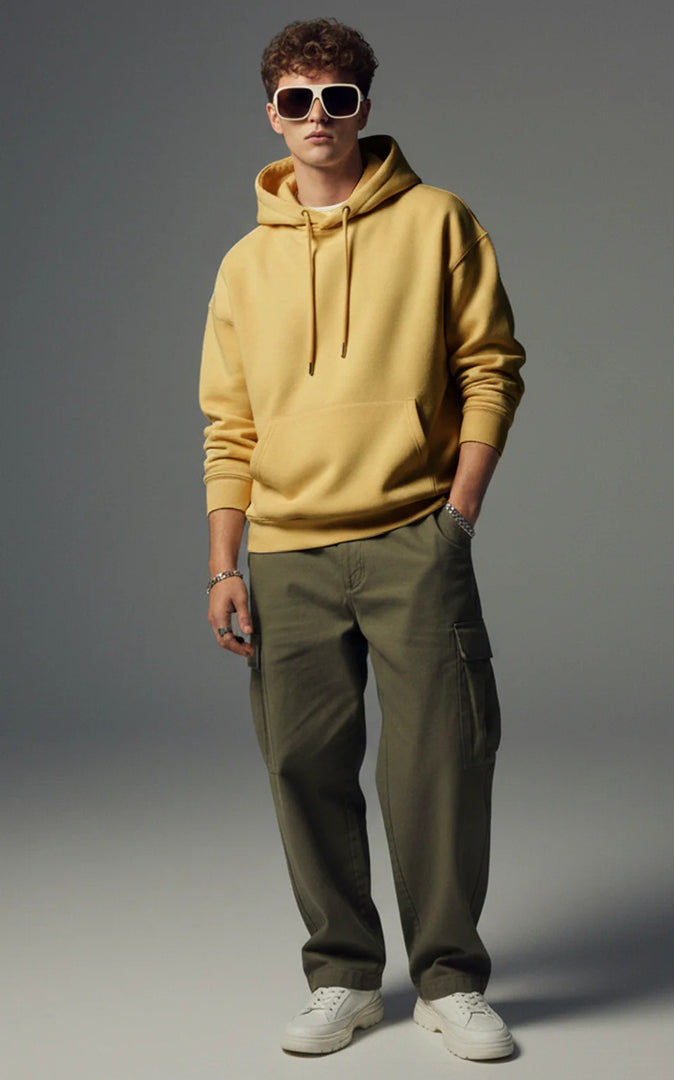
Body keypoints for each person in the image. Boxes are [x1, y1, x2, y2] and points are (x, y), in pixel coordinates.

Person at [199, 17, 525, 1061]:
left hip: (411, 537)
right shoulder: (244, 264)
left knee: (442, 765)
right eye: (298, 99)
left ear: (364, 108)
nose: (318, 116)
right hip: (284, 552)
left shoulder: (438, 221)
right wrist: (223, 563)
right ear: (272, 114)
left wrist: (458, 514)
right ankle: (343, 976)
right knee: (302, 766)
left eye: (336, 98)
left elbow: (491, 367)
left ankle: (449, 980)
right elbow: (229, 426)